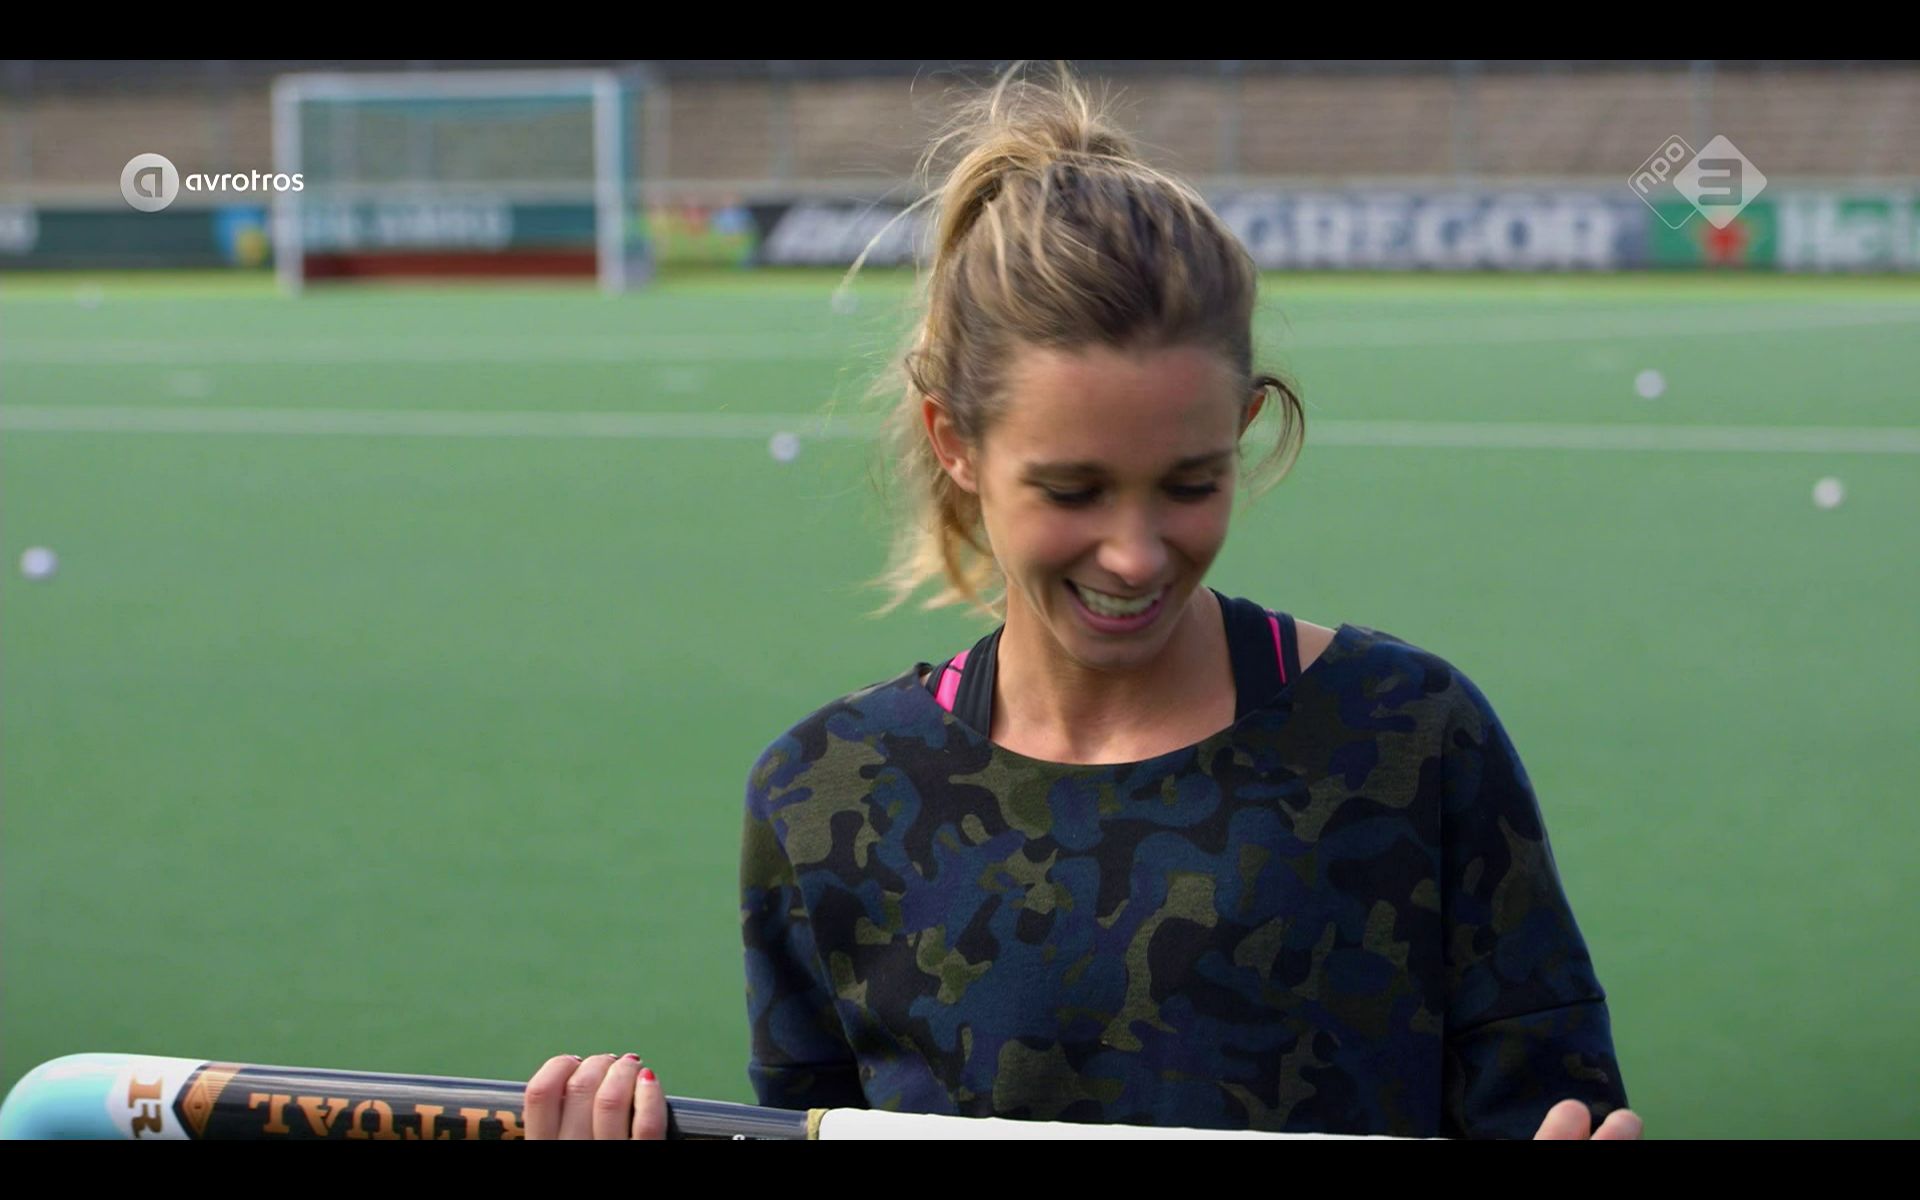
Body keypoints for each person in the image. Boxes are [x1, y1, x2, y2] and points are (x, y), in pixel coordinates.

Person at [526, 63, 1641, 1141]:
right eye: (1073, 491)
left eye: (1191, 484)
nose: (1136, 555)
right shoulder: (826, 797)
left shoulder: (1409, 739)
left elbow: (1549, 1100)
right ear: (954, 442)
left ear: (1245, 427)